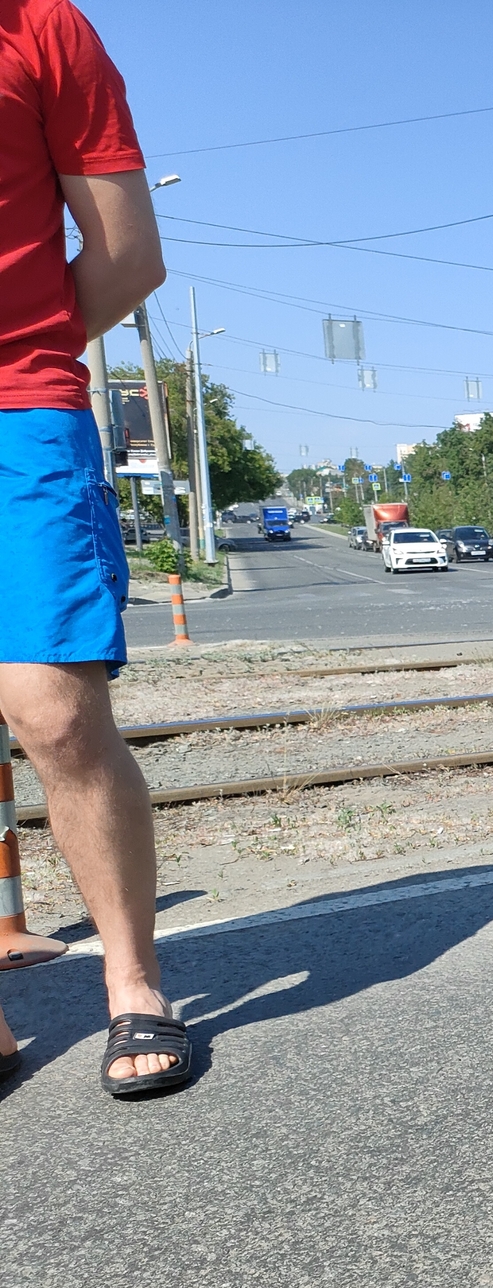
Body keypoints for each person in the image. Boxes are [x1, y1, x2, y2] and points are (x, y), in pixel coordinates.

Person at [0, 0, 182, 1096]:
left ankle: (134, 980)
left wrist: (24, 350)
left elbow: (126, 254)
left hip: (20, 410)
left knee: (55, 711)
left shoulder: (41, 28)